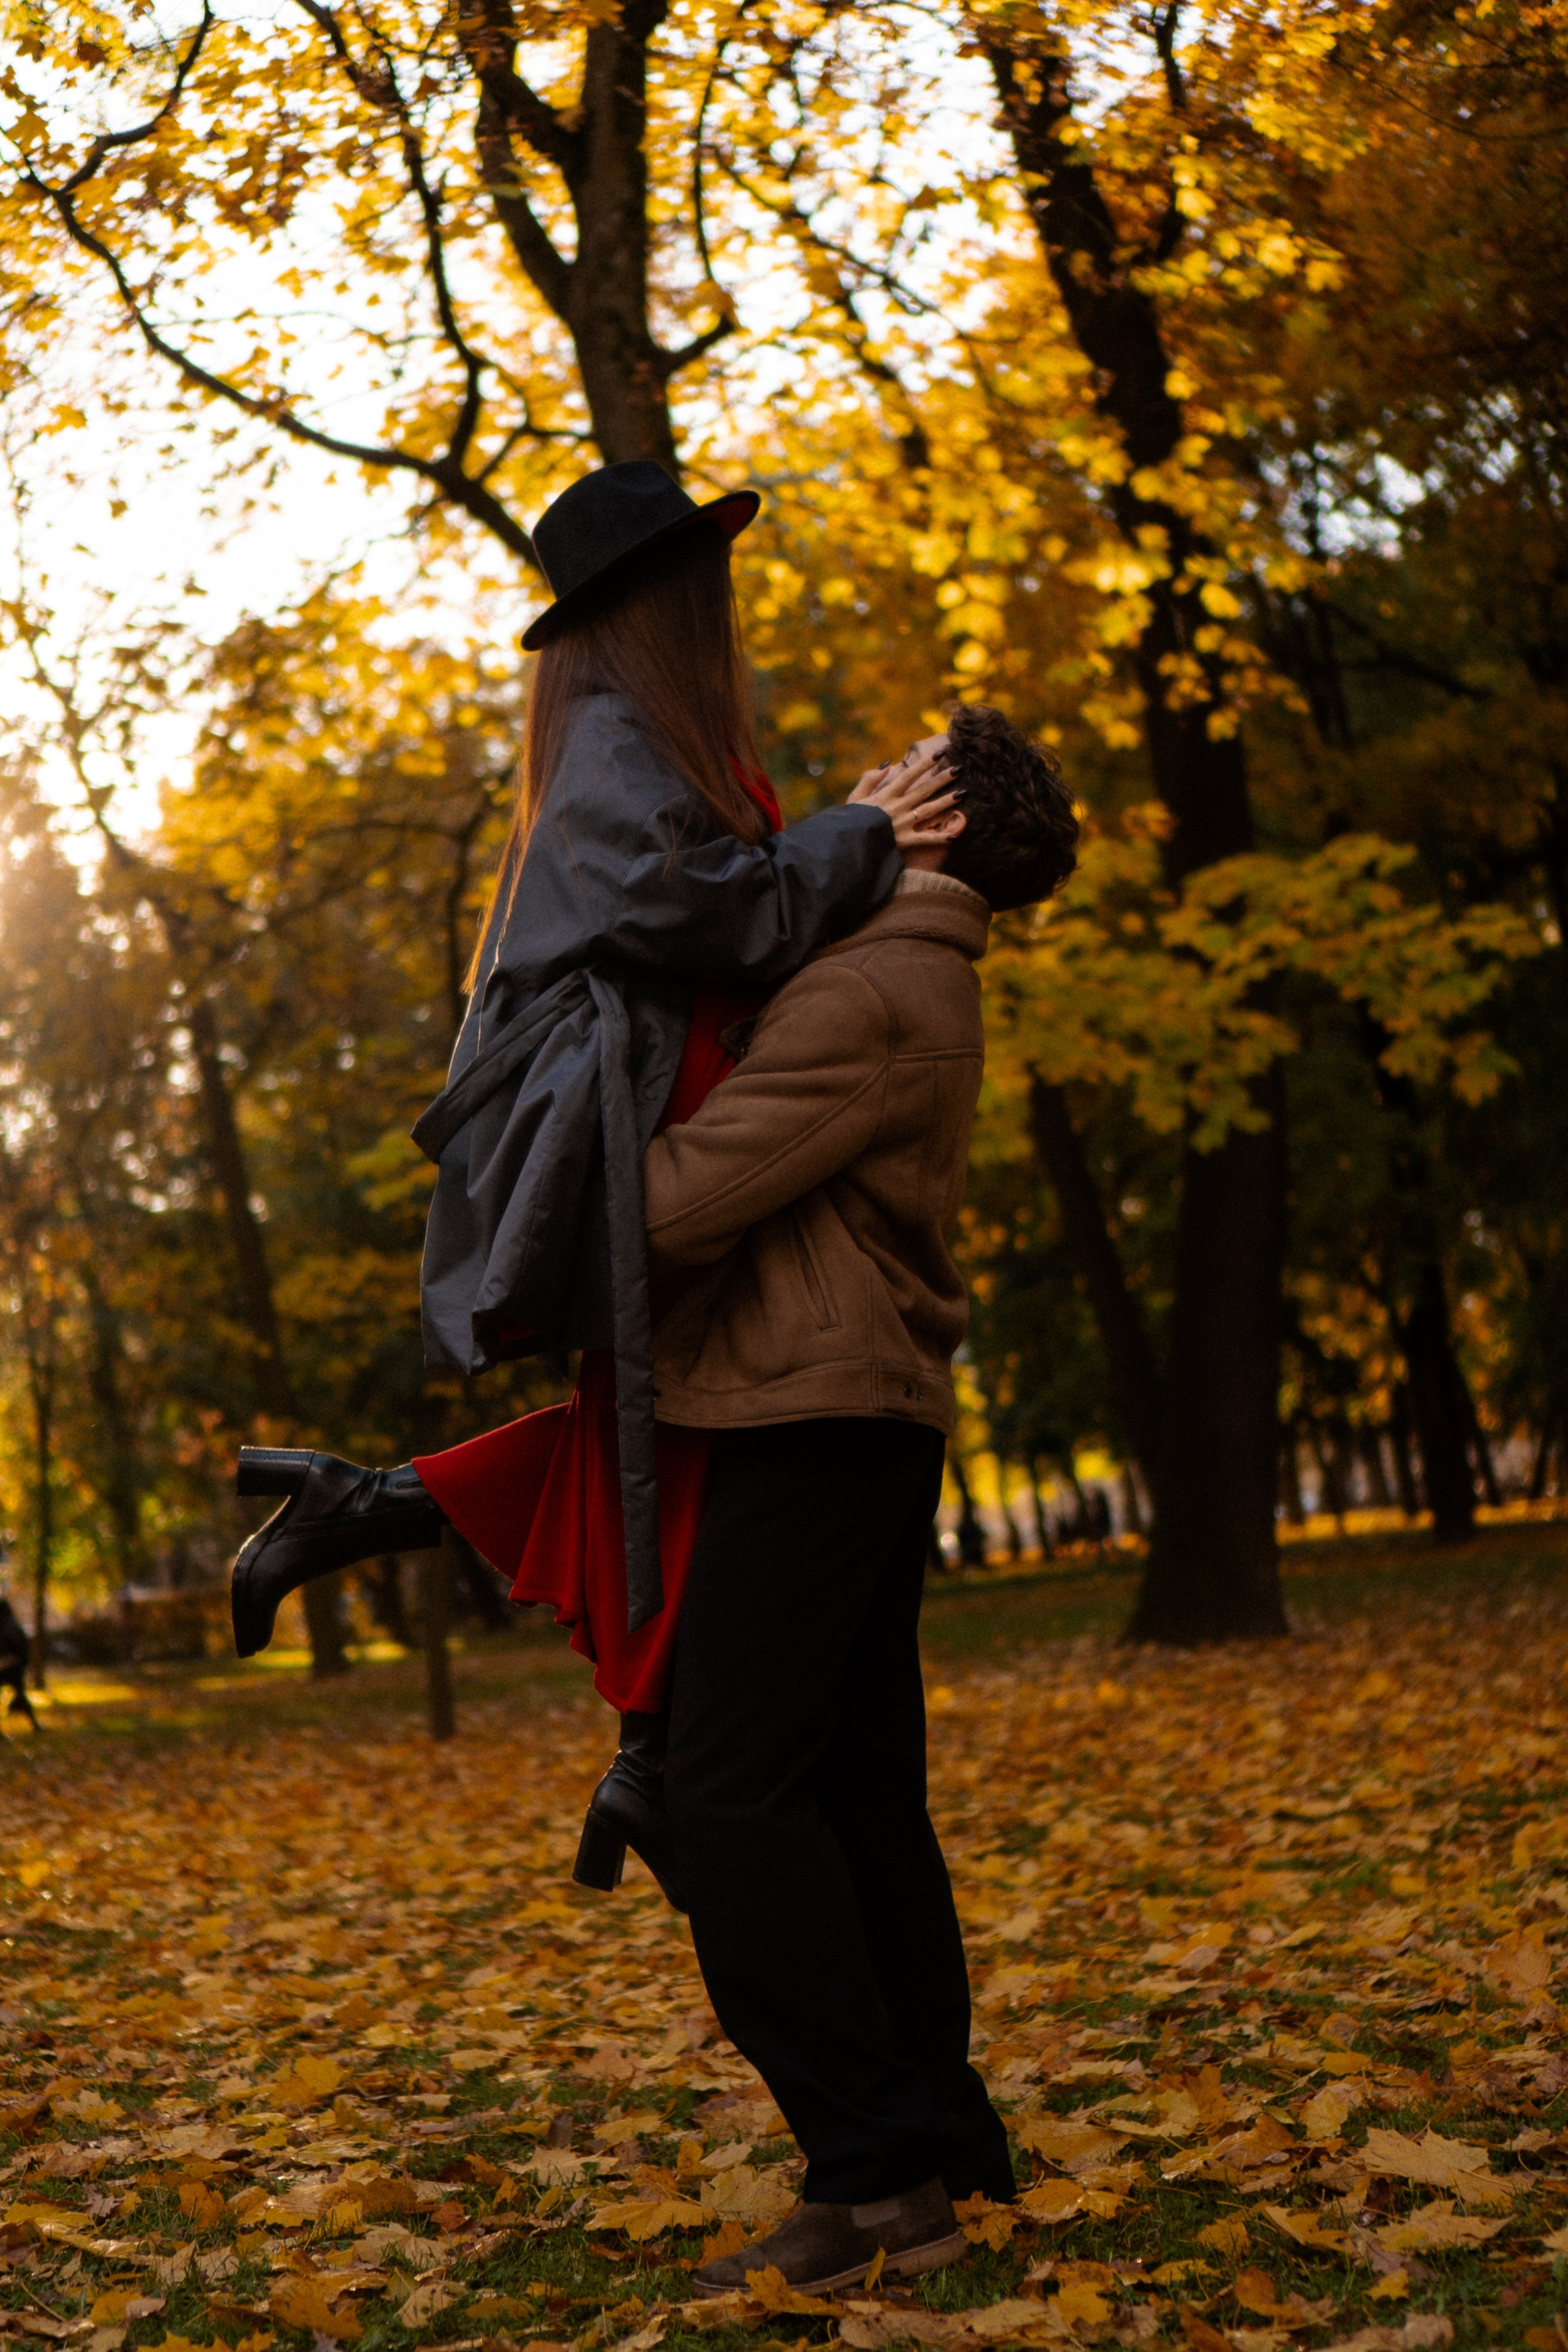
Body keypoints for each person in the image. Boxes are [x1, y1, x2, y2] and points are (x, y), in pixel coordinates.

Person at [227, 461, 959, 1897]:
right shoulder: (622, 735)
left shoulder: (639, 736)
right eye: (704, 577)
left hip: (657, 1098)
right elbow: (704, 912)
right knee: (693, 1411)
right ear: (655, 602)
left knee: (680, 1419)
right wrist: (862, 832)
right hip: (645, 1114)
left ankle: (415, 1543)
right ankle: (633, 1731)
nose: (723, 603)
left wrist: (839, 838)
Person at [625, 700, 1079, 2295]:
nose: (856, 788)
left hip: (808, 1416)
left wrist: (561, 1148)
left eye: (895, 775)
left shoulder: (871, 989)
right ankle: (943, 2147)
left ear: (939, 824)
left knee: (720, 1793)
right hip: (861, 1415)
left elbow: (681, 1204)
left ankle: (871, 2168)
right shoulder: (910, 971)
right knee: (863, 1798)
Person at [0, 1589, 39, 1730]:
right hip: (14, 1667)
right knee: (21, 1694)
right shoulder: (12, 1625)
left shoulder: (6, 1626)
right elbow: (22, 1646)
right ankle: (34, 1724)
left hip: (6, 1667)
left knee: (21, 1695)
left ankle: (34, 1724)